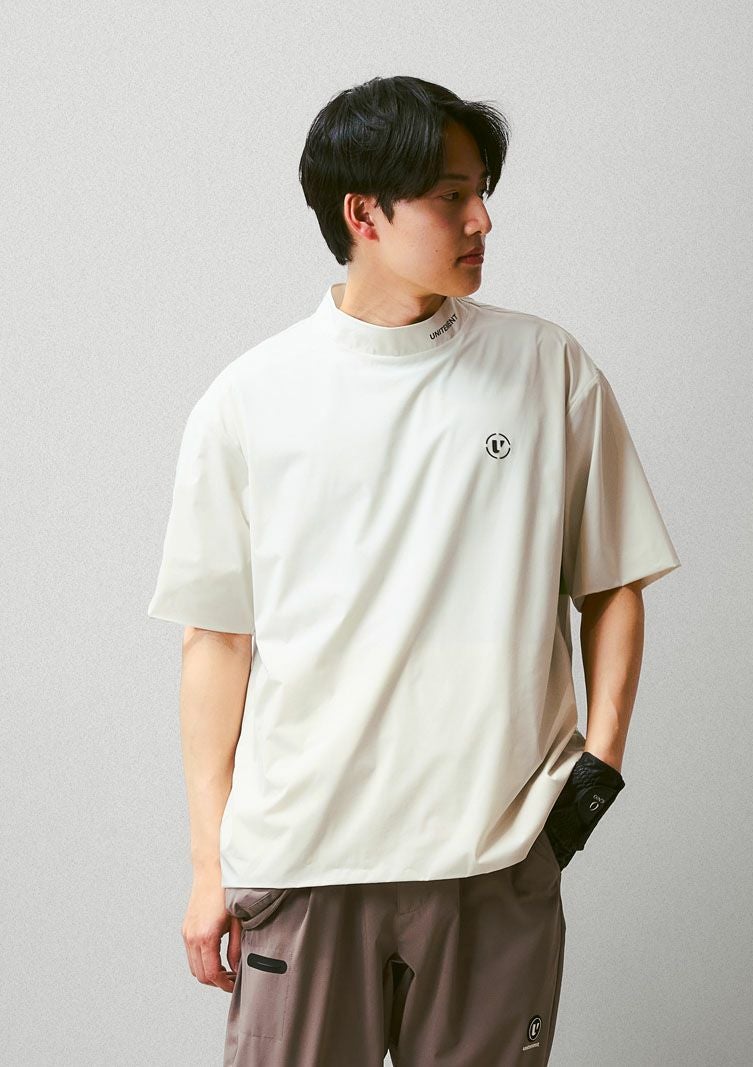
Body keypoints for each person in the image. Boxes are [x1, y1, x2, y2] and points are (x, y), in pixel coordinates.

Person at [147, 75, 681, 1066]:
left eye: (482, 192)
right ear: (364, 214)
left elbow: (614, 584)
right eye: (450, 196)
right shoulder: (249, 399)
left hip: (493, 860)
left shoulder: (546, 368)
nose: (482, 220)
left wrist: (593, 776)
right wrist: (207, 864)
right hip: (303, 862)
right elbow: (216, 640)